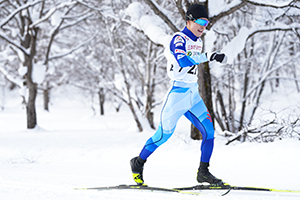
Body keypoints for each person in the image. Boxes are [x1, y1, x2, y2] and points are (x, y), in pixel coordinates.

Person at [130, 4, 227, 186]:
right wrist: (210, 56)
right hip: (177, 96)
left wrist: (208, 55)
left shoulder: (198, 41)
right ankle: (138, 162)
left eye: (206, 22)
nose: (203, 26)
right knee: (163, 136)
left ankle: (203, 172)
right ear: (189, 21)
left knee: (209, 132)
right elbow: (182, 61)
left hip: (193, 95)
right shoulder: (178, 39)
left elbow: (193, 60)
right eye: (200, 21)